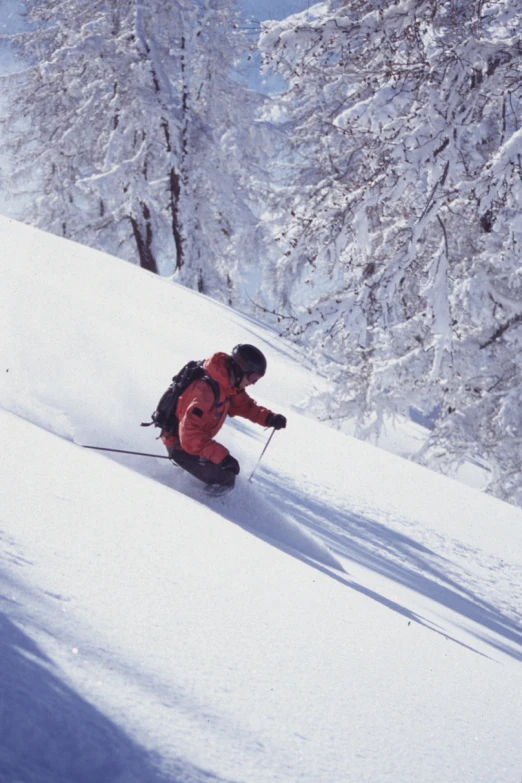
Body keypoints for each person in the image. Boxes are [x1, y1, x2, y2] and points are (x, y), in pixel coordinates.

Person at [160, 344, 286, 492]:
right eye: (253, 377)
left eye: (257, 379)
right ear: (240, 369)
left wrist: (269, 418)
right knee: (225, 479)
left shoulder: (227, 385)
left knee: (226, 471)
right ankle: (202, 505)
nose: (252, 383)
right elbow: (189, 436)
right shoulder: (204, 392)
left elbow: (244, 406)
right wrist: (222, 457)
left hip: (194, 443)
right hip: (180, 446)